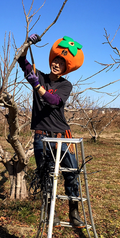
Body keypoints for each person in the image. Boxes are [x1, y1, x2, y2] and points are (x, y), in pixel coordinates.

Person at [18, 34, 85, 227]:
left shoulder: (65, 85)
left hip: (61, 136)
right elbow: (22, 60)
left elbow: (54, 102)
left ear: (66, 68)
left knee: (71, 174)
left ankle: (74, 213)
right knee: (45, 176)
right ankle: (51, 213)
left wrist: (37, 86)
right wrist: (27, 43)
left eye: (61, 63)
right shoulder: (38, 75)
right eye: (55, 60)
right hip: (41, 137)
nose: (57, 64)